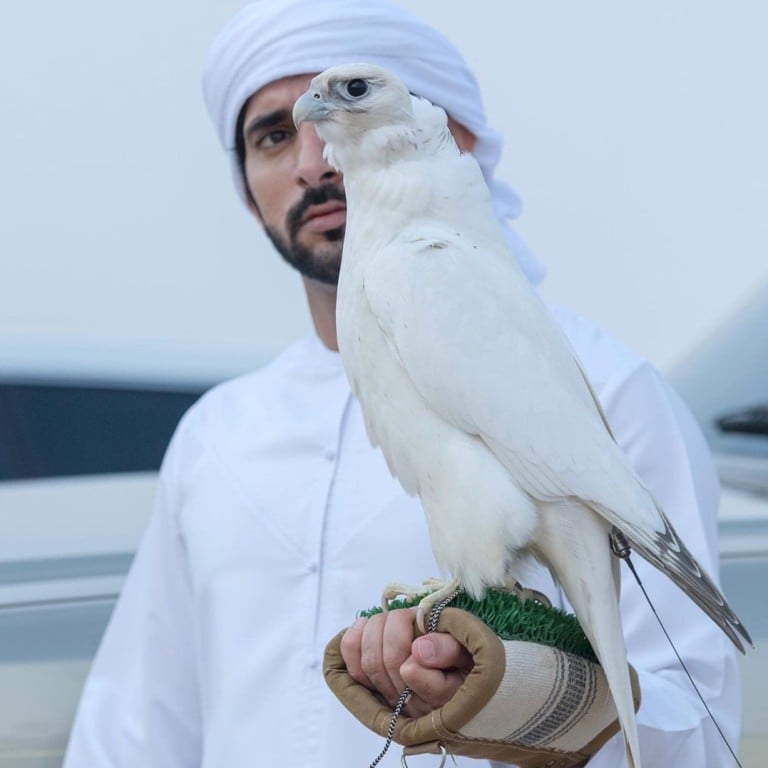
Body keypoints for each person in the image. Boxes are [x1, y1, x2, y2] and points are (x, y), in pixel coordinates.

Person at [63, 1, 741, 766]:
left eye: (342, 111)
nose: (314, 159)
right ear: (245, 186)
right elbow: (133, 729)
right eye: (273, 136)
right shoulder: (217, 437)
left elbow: (694, 734)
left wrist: (523, 693)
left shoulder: (619, 389)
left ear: (453, 137)